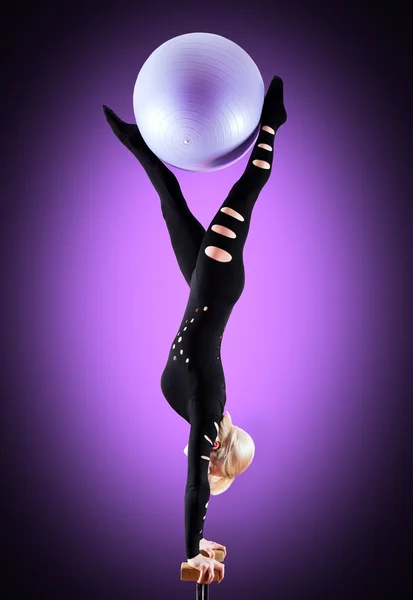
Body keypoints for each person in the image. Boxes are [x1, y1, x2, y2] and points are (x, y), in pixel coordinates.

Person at [103, 75, 287, 585]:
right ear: (215, 457)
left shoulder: (195, 412)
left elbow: (196, 490)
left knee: (172, 204)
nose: (201, 469)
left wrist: (198, 545)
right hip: (220, 281)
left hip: (198, 290)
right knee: (244, 192)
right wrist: (190, 549)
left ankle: (135, 139)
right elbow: (194, 491)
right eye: (210, 467)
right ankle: (273, 120)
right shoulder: (206, 403)